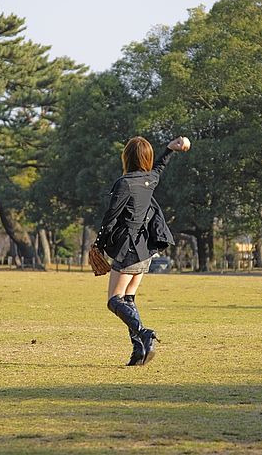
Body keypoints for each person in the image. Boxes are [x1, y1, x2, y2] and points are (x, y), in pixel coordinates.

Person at [95, 135, 190, 366]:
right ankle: (138, 352)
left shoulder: (124, 183)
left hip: (127, 249)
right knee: (128, 298)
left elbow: (111, 217)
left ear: (127, 157)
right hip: (145, 248)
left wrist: (98, 243)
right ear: (146, 158)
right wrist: (169, 150)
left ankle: (143, 333)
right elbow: (159, 168)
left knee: (114, 300)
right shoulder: (151, 179)